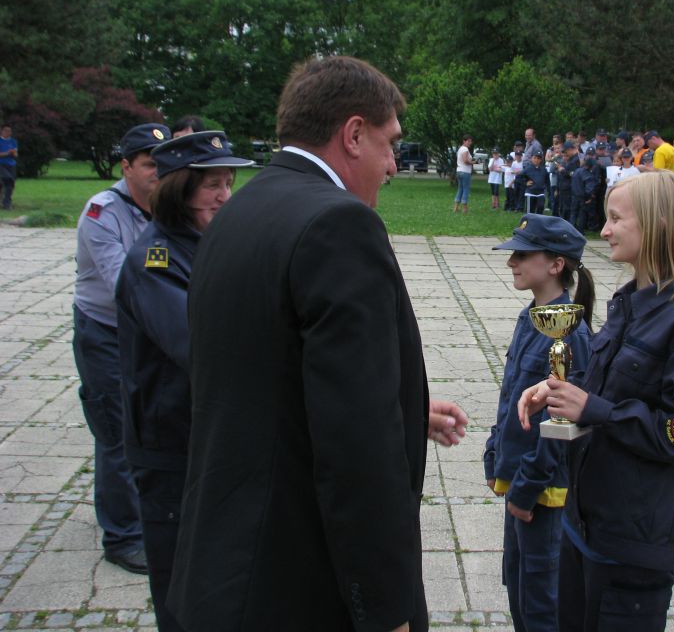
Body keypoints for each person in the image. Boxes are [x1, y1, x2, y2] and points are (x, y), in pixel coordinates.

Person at [167, 56, 468, 632]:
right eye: (389, 144)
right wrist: (385, 608)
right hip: (298, 581)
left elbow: (261, 372)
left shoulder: (240, 209)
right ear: (353, 134)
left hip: (223, 566)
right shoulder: (340, 225)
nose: (393, 165)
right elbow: (359, 447)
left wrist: (402, 408)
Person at [518, 172, 674, 632]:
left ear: (654, 224)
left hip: (633, 543)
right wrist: (555, 389)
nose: (605, 229)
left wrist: (595, 410)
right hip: (587, 526)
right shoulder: (630, 303)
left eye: (616, 219)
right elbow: (606, 391)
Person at [115, 131, 253, 631]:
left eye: (228, 182)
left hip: (207, 438)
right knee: (180, 589)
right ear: (178, 189)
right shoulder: (156, 261)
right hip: (171, 448)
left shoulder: (206, 245)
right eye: (211, 185)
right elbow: (203, 350)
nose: (224, 196)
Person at [485, 214, 595, 632]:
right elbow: (513, 392)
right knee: (518, 588)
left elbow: (560, 427)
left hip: (543, 493)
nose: (512, 261)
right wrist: (496, 452)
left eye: (523, 254)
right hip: (519, 478)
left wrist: (527, 488)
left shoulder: (570, 335)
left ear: (556, 264)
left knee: (541, 601)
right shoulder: (532, 316)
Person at [73, 122, 172, 574]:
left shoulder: (167, 209)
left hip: (151, 332)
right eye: (150, 163)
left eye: (163, 162)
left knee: (153, 425)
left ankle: (151, 515)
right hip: (106, 334)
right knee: (116, 431)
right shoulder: (102, 213)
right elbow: (124, 286)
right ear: (126, 166)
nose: (158, 171)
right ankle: (123, 536)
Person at [454, 134, 474, 213]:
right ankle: (464, 208)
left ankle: (455, 207)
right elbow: (465, 161)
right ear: (464, 141)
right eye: (468, 141)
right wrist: (473, 162)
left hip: (459, 171)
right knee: (466, 189)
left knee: (460, 189)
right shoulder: (465, 149)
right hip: (465, 172)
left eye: (470, 141)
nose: (470, 142)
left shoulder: (460, 149)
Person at [0, 124, 17, 210]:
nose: (8, 132)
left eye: (9, 131)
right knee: (7, 179)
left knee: (11, 183)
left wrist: (13, 153)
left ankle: (7, 202)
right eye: (6, 130)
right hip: (1, 164)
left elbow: (15, 154)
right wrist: (7, 153)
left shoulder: (13, 141)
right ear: (2, 131)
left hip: (11, 165)